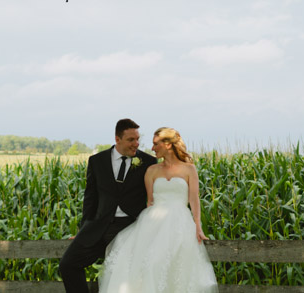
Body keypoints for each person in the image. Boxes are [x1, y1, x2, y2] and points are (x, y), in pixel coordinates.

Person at [98, 127, 219, 293]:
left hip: (180, 224)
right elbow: (150, 201)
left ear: (168, 145)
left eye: (156, 144)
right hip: (154, 222)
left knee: (177, 269)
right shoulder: (151, 171)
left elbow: (194, 200)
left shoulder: (189, 169)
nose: (152, 148)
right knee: (149, 264)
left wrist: (198, 226)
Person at [59, 118, 156, 293]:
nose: (136, 144)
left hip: (130, 227)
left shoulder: (149, 162)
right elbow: (90, 199)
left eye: (137, 139)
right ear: (117, 139)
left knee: (126, 277)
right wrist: (83, 230)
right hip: (98, 226)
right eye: (131, 140)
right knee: (68, 265)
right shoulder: (97, 161)